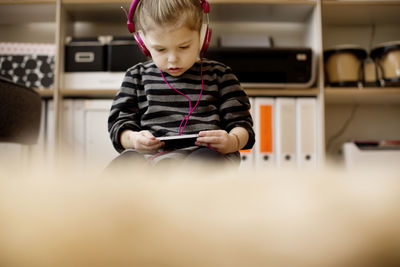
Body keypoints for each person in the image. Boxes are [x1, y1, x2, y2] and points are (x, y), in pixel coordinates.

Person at [107, 0, 254, 168]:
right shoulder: (136, 77)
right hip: (151, 162)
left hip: (204, 158)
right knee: (126, 163)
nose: (173, 59)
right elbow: (119, 127)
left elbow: (242, 126)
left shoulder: (220, 75)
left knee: (206, 161)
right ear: (143, 43)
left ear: (202, 35)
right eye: (161, 50)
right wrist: (133, 139)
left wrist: (232, 141)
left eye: (184, 47)